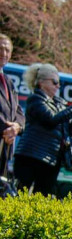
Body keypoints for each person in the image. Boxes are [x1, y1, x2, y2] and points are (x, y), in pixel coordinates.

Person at [12, 63, 72, 196]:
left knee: (42, 197)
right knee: (19, 194)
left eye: (58, 83)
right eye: (54, 82)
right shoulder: (35, 99)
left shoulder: (59, 103)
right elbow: (51, 119)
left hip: (52, 159)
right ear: (41, 83)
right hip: (31, 156)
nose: (58, 86)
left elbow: (70, 130)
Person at [0, 34, 25, 176]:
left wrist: (17, 127)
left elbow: (18, 111)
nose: (3, 53)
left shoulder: (9, 81)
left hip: (4, 149)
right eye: (0, 48)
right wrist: (6, 128)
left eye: (7, 50)